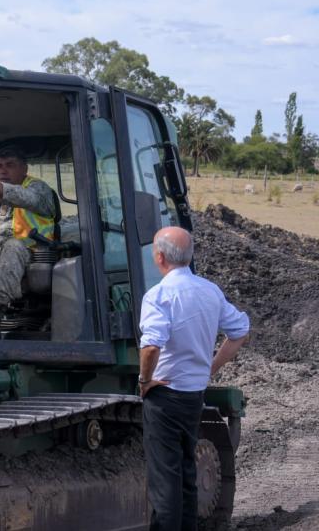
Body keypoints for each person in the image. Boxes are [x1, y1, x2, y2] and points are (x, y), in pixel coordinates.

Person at [138, 226, 250, 531]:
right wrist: (210, 368)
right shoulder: (209, 291)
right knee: (186, 472)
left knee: (165, 480)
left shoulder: (158, 295)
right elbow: (240, 331)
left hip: (164, 396)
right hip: (194, 395)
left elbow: (150, 346)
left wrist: (144, 380)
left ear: (159, 257)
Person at [0, 145, 56, 340]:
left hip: (30, 256)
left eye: (10, 165)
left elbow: (23, 197)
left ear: (24, 169)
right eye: (0, 166)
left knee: (13, 246)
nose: (3, 170)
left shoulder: (39, 190)